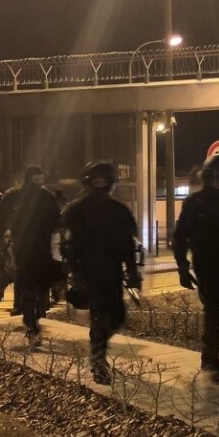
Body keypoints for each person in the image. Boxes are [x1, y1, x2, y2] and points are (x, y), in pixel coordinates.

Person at [60, 162, 142, 384]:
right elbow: (67, 245)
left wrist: (132, 271)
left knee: (117, 317)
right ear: (88, 183)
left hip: (112, 271)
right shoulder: (76, 210)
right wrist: (74, 272)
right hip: (88, 272)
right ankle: (98, 361)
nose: (100, 185)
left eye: (103, 181)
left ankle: (98, 350)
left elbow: (129, 244)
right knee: (99, 317)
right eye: (96, 180)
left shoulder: (119, 210)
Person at [174, 153, 219, 382]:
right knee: (214, 309)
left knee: (217, 310)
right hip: (204, 262)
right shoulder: (195, 202)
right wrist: (183, 267)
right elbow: (181, 236)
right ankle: (210, 358)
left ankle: (210, 357)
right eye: (218, 176)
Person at [0, 165, 61, 345]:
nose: (38, 183)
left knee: (40, 285)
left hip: (41, 247)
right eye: (35, 179)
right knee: (27, 286)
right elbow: (1, 221)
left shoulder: (47, 197)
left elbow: (57, 219)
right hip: (21, 248)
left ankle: (36, 313)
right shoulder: (14, 197)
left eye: (41, 179)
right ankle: (31, 322)